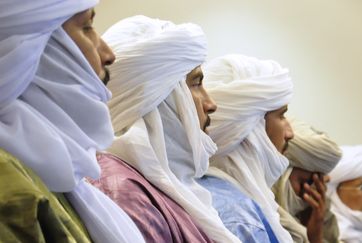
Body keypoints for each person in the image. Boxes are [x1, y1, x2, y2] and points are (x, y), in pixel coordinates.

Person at [0, 1, 145, 242]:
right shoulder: (9, 189)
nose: (108, 55)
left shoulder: (68, 175)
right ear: (27, 51)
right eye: (87, 27)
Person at [89, 15, 240, 243]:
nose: (210, 104)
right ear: (160, 97)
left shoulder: (169, 186)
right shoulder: (125, 194)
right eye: (196, 84)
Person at [203, 54, 295, 243]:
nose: (290, 132)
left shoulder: (209, 195)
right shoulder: (240, 220)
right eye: (281, 116)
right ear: (251, 126)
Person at [272, 118, 341, 243]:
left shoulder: (312, 219)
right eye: (306, 183)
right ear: (279, 175)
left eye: (320, 185)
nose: (310, 196)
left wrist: (317, 233)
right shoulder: (256, 222)